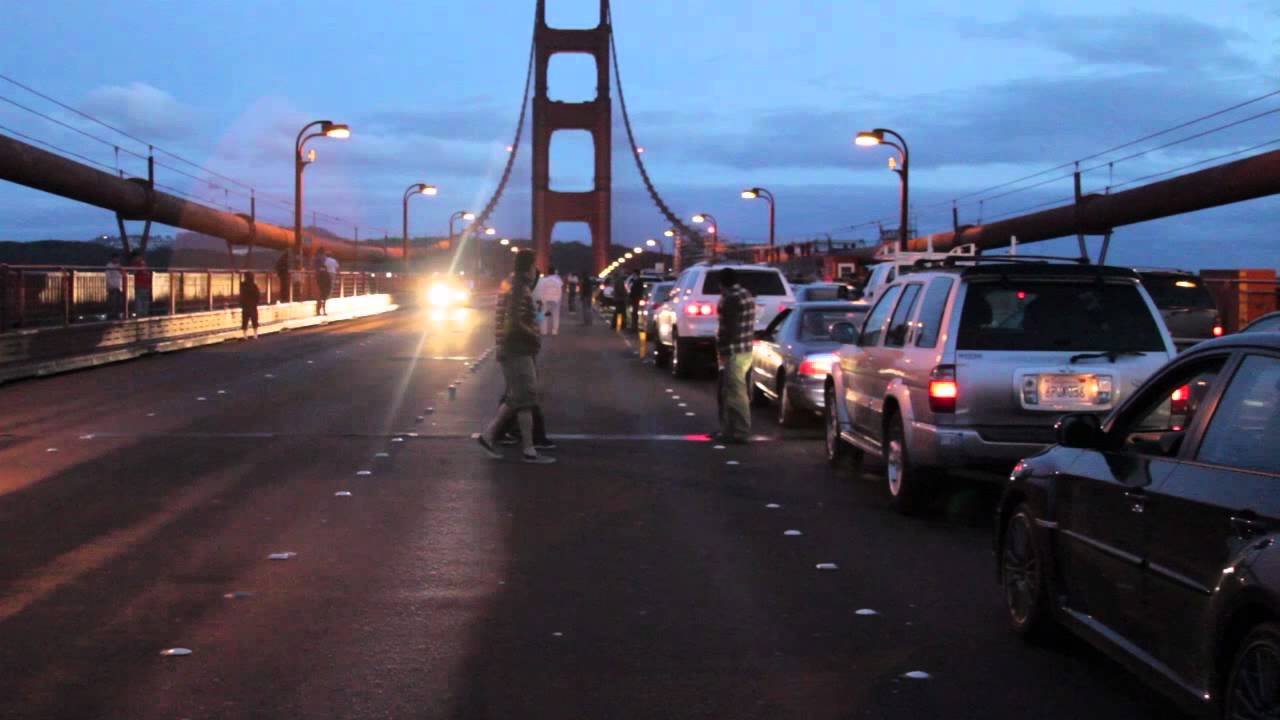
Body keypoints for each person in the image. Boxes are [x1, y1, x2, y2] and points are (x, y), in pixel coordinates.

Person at [475, 249, 555, 464]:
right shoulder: (520, 287)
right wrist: (534, 336)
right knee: (527, 397)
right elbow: (514, 320)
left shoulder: (512, 283)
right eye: (534, 266)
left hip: (512, 348)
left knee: (515, 398)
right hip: (517, 349)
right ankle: (529, 451)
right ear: (530, 266)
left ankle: (488, 437)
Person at [715, 267, 757, 444]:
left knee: (735, 393)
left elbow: (729, 327)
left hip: (734, 350)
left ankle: (739, 431)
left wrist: (722, 348)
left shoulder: (731, 298)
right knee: (732, 390)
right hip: (745, 348)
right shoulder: (745, 293)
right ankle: (730, 430)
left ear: (722, 283)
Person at [534, 265, 564, 336]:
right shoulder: (558, 281)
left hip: (546, 300)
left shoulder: (545, 280)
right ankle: (554, 330)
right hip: (555, 300)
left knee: (544, 315)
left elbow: (542, 291)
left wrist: (542, 299)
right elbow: (559, 291)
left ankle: (544, 331)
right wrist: (558, 299)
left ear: (548, 272)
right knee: (555, 315)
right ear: (554, 272)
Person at [128, 250, 152, 318]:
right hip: (146, 284)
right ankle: (144, 314)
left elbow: (133, 272)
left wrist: (128, 272)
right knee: (144, 300)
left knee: (139, 300)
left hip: (140, 284)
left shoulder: (136, 263)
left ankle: (140, 315)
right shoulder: (143, 263)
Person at [239, 272, 260, 339]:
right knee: (254, 320)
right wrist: (256, 303)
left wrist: (241, 304)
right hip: (253, 306)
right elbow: (257, 296)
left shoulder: (242, 286)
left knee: (245, 321)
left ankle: (245, 335)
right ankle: (255, 334)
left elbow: (241, 296)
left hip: (245, 306)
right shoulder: (254, 286)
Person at [105, 252, 124, 319]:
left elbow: (122, 274)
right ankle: (111, 316)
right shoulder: (109, 266)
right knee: (112, 303)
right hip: (112, 287)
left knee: (119, 302)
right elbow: (108, 277)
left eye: (117, 258)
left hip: (119, 286)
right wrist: (111, 286)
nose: (116, 259)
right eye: (115, 258)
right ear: (112, 258)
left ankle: (117, 315)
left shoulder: (119, 266)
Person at [315, 250, 334, 315]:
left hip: (321, 288)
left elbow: (317, 280)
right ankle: (323, 311)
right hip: (325, 288)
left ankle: (319, 311)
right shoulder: (327, 273)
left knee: (320, 300)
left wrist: (318, 287)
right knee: (324, 300)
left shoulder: (319, 273)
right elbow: (329, 281)